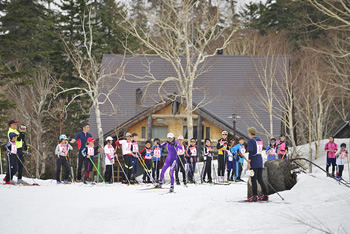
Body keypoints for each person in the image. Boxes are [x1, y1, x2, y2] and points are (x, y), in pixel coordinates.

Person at [247, 127, 268, 202]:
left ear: (250, 132)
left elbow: (251, 152)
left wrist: (249, 162)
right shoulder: (259, 140)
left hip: (254, 160)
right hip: (260, 159)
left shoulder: (251, 141)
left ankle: (255, 196)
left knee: (253, 179)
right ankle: (265, 194)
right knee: (260, 178)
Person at [7, 120, 28, 184]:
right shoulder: (11, 131)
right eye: (15, 124)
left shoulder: (16, 131)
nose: (16, 126)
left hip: (19, 148)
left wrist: (23, 133)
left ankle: (19, 178)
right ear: (11, 125)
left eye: (16, 124)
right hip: (14, 149)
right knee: (14, 165)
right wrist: (21, 133)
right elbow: (18, 139)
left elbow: (21, 138)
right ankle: (8, 178)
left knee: (21, 164)